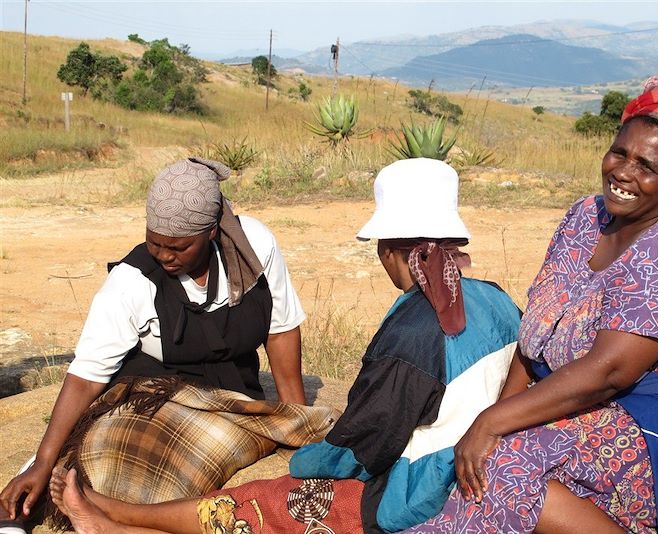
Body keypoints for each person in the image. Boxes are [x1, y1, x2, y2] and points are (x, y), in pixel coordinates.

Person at [46, 157, 523, 534]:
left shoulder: (411, 333)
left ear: (387, 249)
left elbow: (363, 447)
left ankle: (118, 518)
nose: (166, 256)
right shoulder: (499, 300)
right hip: (478, 464)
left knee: (267, 505)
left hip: (423, 486)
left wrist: (307, 458)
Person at [407, 78, 658, 533]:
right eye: (620, 153)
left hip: (657, 426)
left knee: (509, 469)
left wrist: (494, 424)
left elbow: (610, 372)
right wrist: (496, 418)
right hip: (577, 398)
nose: (624, 172)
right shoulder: (584, 218)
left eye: (647, 166)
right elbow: (536, 335)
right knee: (480, 461)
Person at [0, 158, 309, 530]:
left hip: (229, 396)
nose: (164, 255)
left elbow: (281, 330)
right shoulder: (132, 281)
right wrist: (42, 461)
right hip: (150, 393)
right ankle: (47, 502)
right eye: (155, 242)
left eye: (178, 247)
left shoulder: (254, 246)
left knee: (191, 467)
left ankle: (108, 516)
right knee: (112, 462)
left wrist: (296, 420)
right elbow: (85, 377)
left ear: (211, 231)